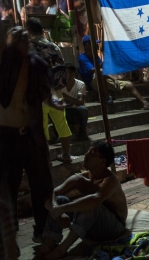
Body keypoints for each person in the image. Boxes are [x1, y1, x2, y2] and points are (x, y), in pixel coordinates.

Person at [27, 141, 127, 260]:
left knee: (91, 205)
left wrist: (63, 209)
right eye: (88, 151)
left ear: (102, 161)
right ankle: (48, 245)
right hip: (91, 229)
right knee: (60, 201)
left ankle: (62, 249)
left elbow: (95, 199)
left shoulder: (111, 180)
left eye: (92, 153)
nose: (86, 155)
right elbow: (51, 194)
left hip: (113, 229)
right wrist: (56, 210)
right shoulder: (80, 179)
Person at [0, 26, 54, 244]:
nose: (22, 37)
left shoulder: (35, 65)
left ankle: (42, 229)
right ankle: (10, 237)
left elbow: (46, 93)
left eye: (24, 35)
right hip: (6, 137)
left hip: (31, 134)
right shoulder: (3, 66)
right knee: (8, 188)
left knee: (40, 184)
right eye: (16, 35)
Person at [26, 17, 73, 163]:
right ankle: (66, 155)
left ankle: (45, 159)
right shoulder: (54, 46)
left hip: (40, 93)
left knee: (42, 128)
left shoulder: (30, 47)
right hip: (57, 92)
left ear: (28, 31)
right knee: (62, 124)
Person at [78, 35, 149, 110]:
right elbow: (96, 70)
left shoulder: (95, 56)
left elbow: (104, 68)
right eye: (94, 44)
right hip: (93, 83)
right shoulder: (82, 58)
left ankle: (145, 103)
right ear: (87, 45)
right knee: (101, 72)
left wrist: (115, 76)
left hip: (102, 79)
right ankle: (106, 96)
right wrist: (112, 78)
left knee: (129, 84)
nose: (97, 46)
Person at [57, 63, 89, 141]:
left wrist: (65, 96)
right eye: (63, 73)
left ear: (72, 74)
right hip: (64, 111)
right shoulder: (59, 84)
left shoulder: (80, 85)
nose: (64, 75)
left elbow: (81, 102)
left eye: (66, 72)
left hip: (75, 111)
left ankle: (82, 133)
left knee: (83, 109)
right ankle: (59, 134)